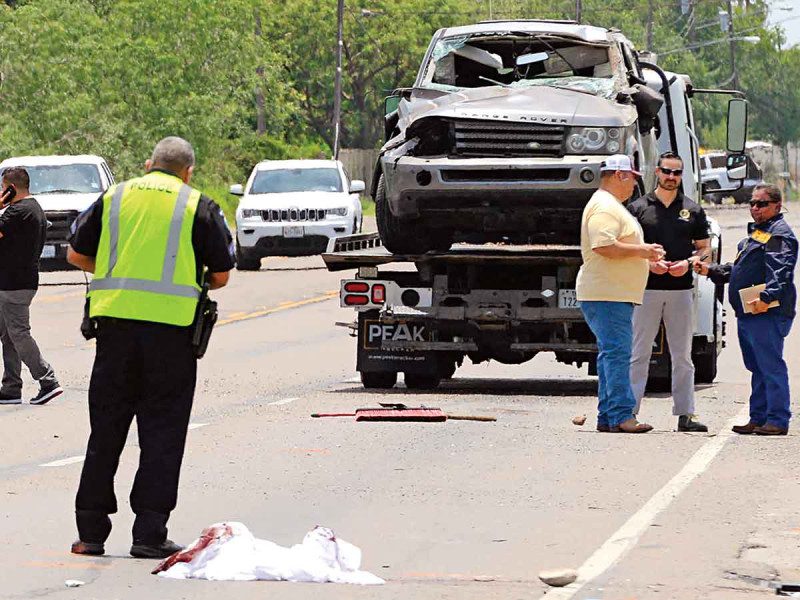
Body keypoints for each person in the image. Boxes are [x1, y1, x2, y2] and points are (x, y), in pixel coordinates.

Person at [67, 137, 234, 558]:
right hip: (172, 339)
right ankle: (149, 534)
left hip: (114, 334)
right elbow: (221, 276)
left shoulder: (114, 196)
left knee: (105, 433)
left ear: (148, 165)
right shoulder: (199, 204)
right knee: (162, 437)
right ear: (187, 171)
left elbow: (75, 254)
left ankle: (90, 534)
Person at [695, 184, 797, 436]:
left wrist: (766, 297)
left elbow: (780, 271)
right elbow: (740, 269)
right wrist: (711, 271)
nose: (755, 208)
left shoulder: (778, 234)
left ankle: (777, 419)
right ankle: (759, 417)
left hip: (766, 311)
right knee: (758, 366)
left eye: (761, 204)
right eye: (752, 203)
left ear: (776, 205)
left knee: (769, 365)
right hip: (749, 311)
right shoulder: (759, 233)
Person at [576, 154, 664, 433]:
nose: (634, 185)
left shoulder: (609, 205)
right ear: (620, 176)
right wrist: (644, 251)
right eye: (633, 178)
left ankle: (610, 415)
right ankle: (622, 415)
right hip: (608, 293)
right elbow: (604, 245)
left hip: (610, 291)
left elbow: (612, 248)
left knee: (611, 353)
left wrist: (646, 262)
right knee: (617, 353)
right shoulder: (605, 207)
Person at [627, 152, 711, 432]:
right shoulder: (638, 208)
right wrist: (649, 263)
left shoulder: (693, 209)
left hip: (680, 290)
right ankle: (629, 411)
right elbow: (626, 248)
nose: (672, 177)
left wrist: (688, 263)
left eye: (677, 173)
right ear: (658, 173)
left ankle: (686, 414)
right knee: (639, 353)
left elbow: (705, 248)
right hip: (646, 290)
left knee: (682, 355)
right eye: (667, 172)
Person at [0, 167, 63, 406]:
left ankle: (48, 381)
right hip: (16, 281)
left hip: (14, 284)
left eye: (3, 187)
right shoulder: (32, 208)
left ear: (10, 188)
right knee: (8, 335)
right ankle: (11, 387)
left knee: (18, 334)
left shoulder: (19, 211)